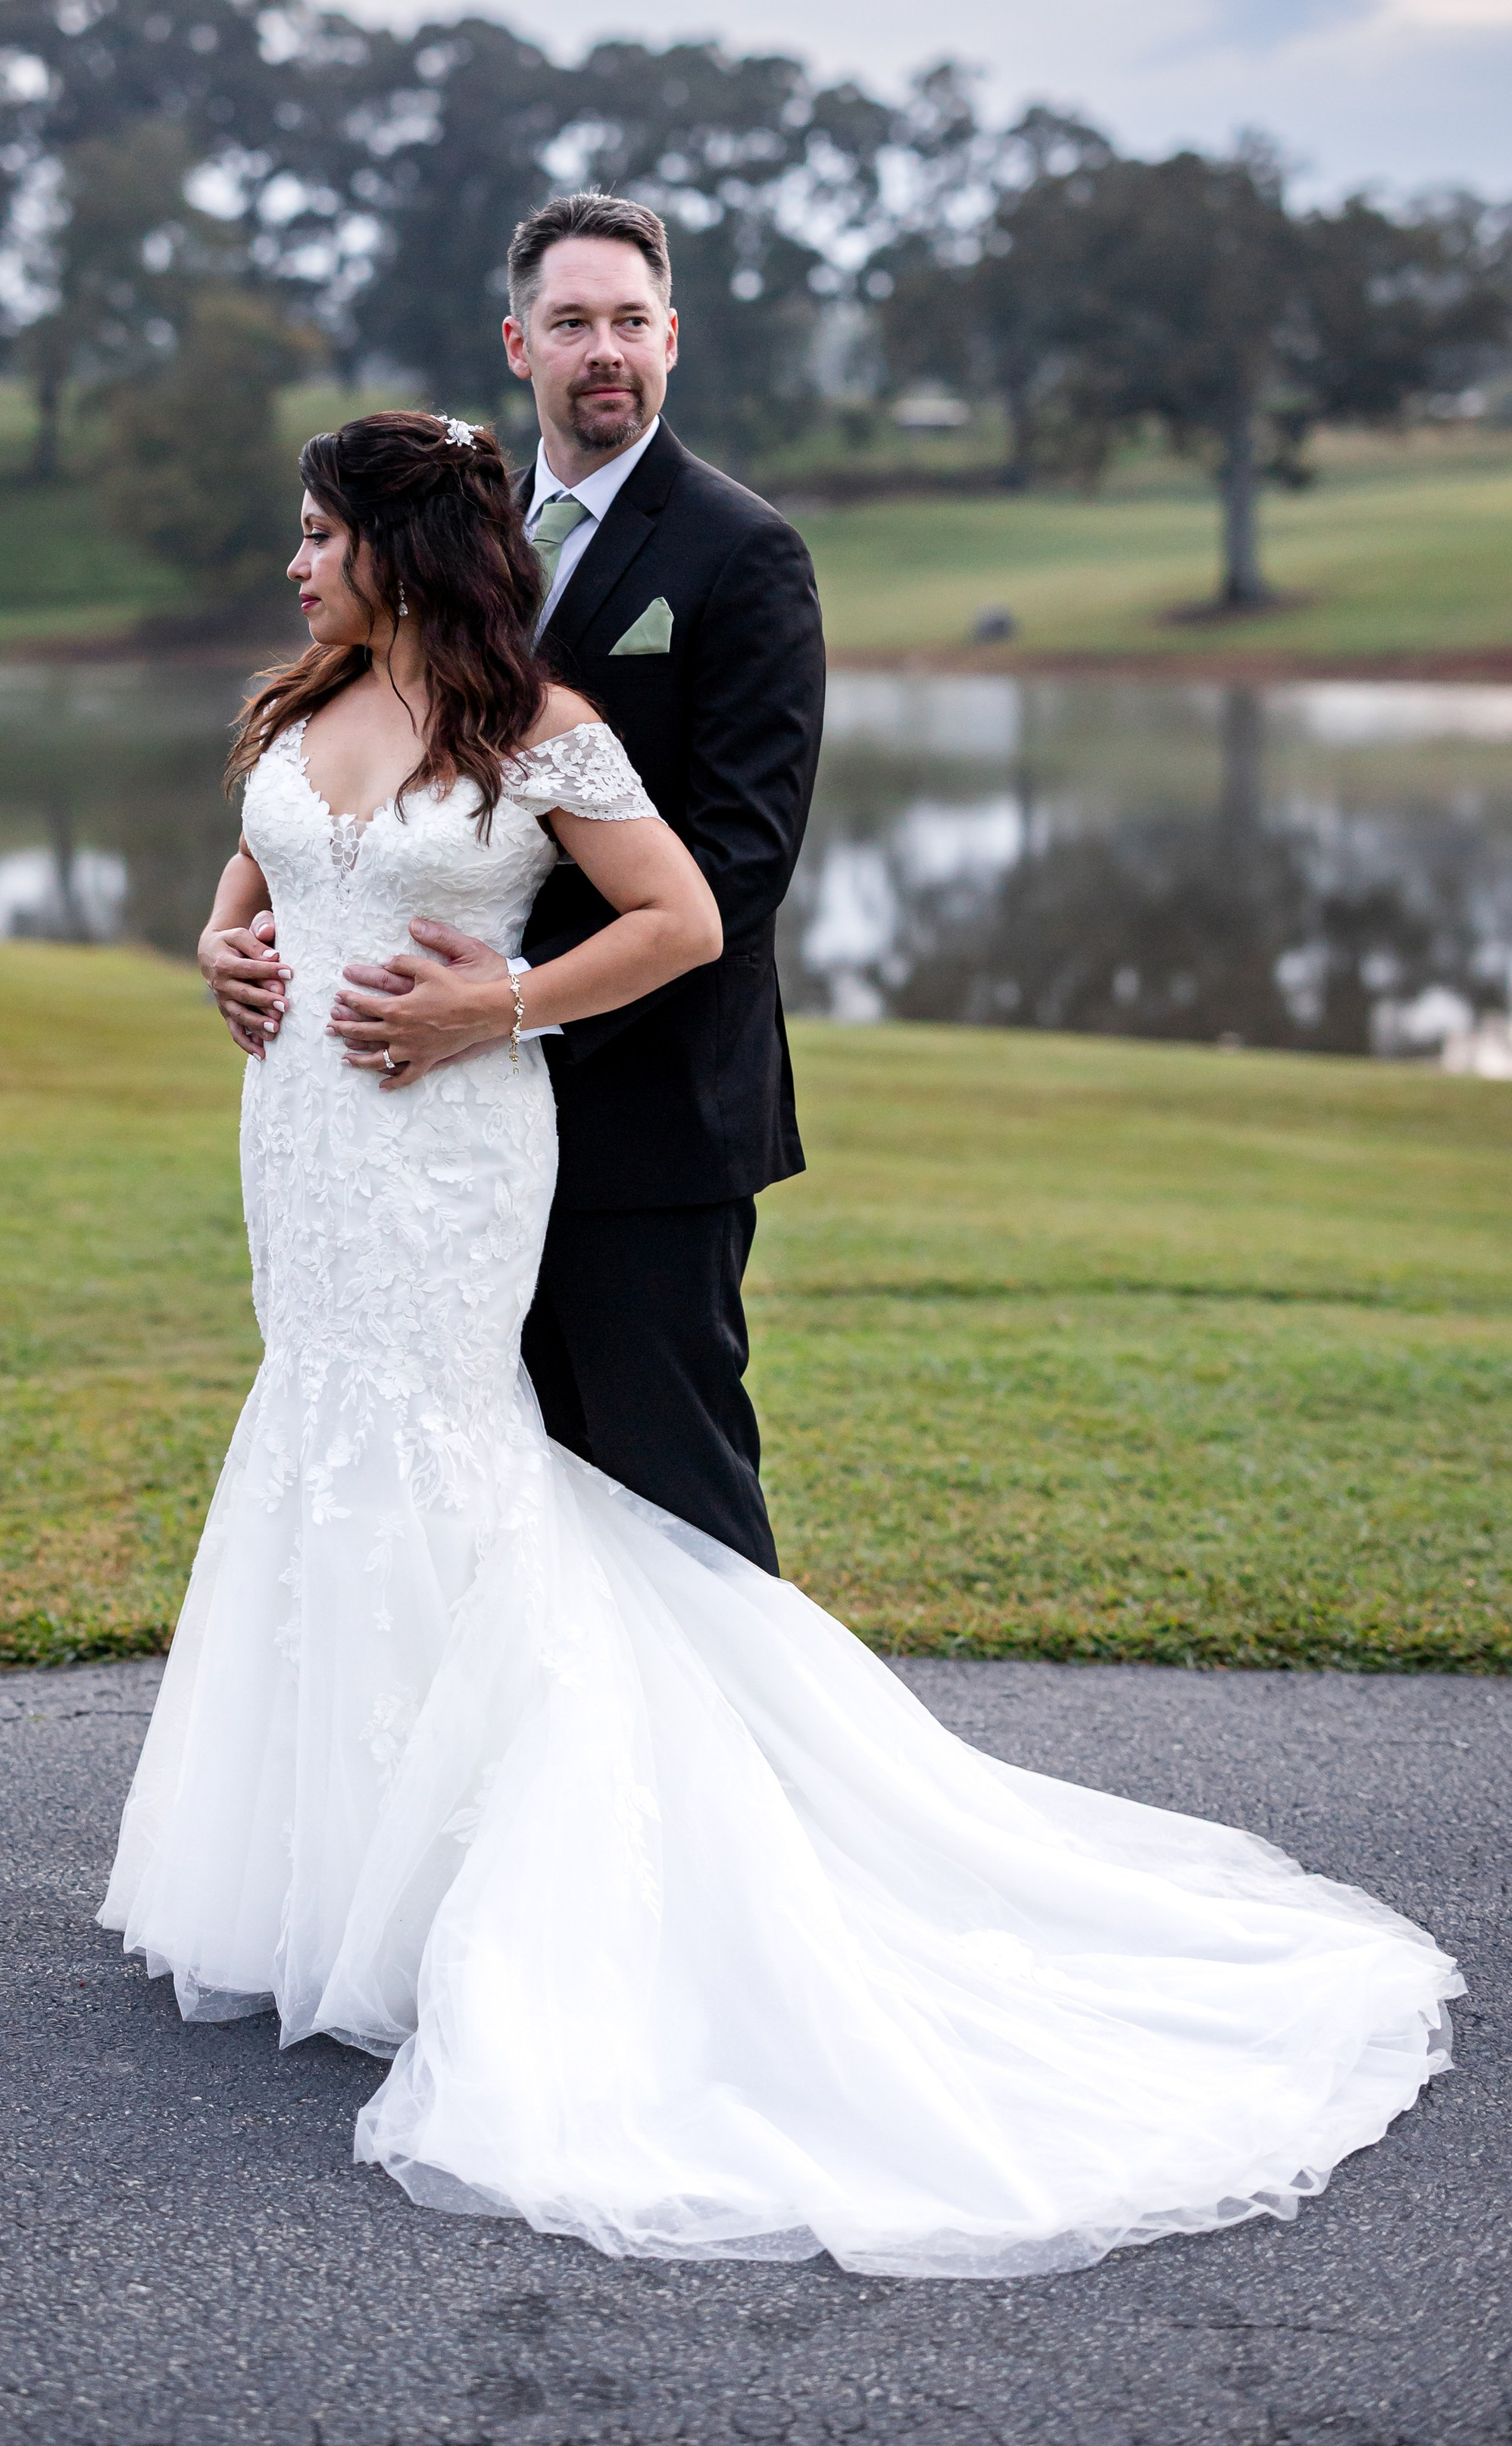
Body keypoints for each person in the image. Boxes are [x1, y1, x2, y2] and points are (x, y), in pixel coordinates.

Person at [100, 405, 1457, 2279]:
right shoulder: (290, 708)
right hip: (305, 1150)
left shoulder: (539, 728)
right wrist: (218, 950)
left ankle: (500, 1873)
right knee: (321, 1429)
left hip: (449, 1143)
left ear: (396, 549)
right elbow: (259, 894)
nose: (294, 559)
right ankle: (330, 1873)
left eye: (317, 531)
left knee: (444, 1445)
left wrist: (494, 1005)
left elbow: (674, 915)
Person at [212, 193, 825, 1577]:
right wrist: (236, 932)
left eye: (628, 322)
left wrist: (505, 1014)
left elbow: (739, 864)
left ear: (672, 337)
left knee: (667, 1480)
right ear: (518, 342)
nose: (602, 350)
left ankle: (733, 1785)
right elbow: (331, 771)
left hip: (642, 1099)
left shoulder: (742, 552)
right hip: (415, 1124)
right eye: (570, 324)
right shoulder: (440, 531)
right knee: (491, 1477)